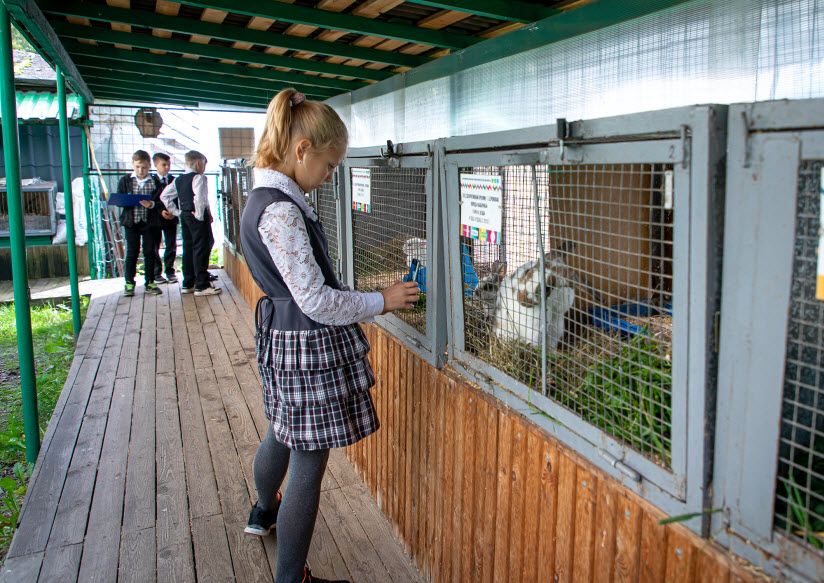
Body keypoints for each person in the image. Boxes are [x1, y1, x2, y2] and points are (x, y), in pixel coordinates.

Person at [239, 88, 418, 583]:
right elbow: (315, 299)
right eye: (329, 164)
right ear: (301, 150)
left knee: (281, 425)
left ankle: (261, 511)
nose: (330, 175)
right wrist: (381, 300)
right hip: (305, 343)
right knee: (308, 460)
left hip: (281, 333)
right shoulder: (281, 210)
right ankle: (291, 576)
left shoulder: (263, 196)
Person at [160, 150, 221, 296]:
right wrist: (200, 216)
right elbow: (200, 198)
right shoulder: (199, 178)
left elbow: (165, 196)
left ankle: (188, 283)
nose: (204, 168)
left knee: (188, 247)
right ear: (199, 163)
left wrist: (178, 212)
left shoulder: (178, 180)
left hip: (185, 216)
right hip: (196, 217)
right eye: (204, 164)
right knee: (202, 246)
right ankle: (202, 285)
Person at [116, 150, 163, 297]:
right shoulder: (125, 180)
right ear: (133, 165)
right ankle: (129, 283)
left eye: (143, 167)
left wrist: (152, 205)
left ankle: (150, 281)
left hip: (150, 223)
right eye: (137, 167)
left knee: (150, 252)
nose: (140, 170)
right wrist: (127, 200)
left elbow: (161, 201)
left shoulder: (155, 181)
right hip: (132, 222)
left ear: (149, 166)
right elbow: (119, 200)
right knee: (132, 252)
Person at [152, 152, 178, 284]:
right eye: (164, 164)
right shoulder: (151, 181)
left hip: (171, 218)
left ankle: (170, 271)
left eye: (168, 164)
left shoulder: (174, 180)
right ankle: (157, 272)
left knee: (171, 245)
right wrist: (161, 210)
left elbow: (178, 198)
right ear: (156, 165)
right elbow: (151, 200)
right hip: (156, 219)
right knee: (155, 245)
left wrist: (174, 212)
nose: (167, 167)